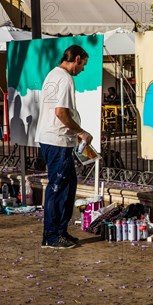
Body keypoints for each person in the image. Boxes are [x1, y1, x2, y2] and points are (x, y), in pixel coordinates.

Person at [35, 45, 93, 249]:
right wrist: (80, 132)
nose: (83, 69)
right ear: (76, 59)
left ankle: (60, 231)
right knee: (58, 188)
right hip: (57, 140)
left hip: (54, 139)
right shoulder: (65, 78)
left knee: (67, 187)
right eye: (83, 64)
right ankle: (52, 235)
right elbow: (60, 112)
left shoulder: (52, 74)